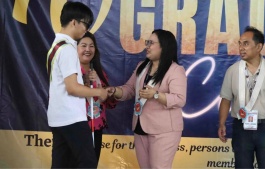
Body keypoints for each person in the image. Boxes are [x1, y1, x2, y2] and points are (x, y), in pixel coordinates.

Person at [107, 29, 187, 168]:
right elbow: (130, 89)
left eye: (151, 43)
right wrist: (115, 91)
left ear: (164, 46)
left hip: (165, 131)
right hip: (140, 127)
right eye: (147, 42)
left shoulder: (175, 70)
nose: (147, 46)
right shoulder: (142, 67)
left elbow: (180, 99)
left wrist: (155, 95)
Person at [46, 2, 108, 168]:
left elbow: (64, 83)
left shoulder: (55, 47)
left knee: (61, 164)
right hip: (71, 117)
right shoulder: (67, 49)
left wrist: (84, 83)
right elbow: (72, 87)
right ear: (74, 22)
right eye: (85, 24)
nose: (86, 30)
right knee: (88, 162)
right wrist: (98, 92)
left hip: (57, 118)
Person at [217, 26, 265, 168]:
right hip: (241, 127)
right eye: (240, 43)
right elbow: (226, 100)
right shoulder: (232, 71)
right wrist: (222, 123)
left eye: (246, 43)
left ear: (259, 46)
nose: (241, 47)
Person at [77, 31, 117, 163]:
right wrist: (84, 80)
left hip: (96, 127)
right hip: (76, 127)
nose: (88, 49)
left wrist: (108, 92)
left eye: (91, 46)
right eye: (83, 45)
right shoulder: (71, 71)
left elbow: (109, 103)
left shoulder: (99, 72)